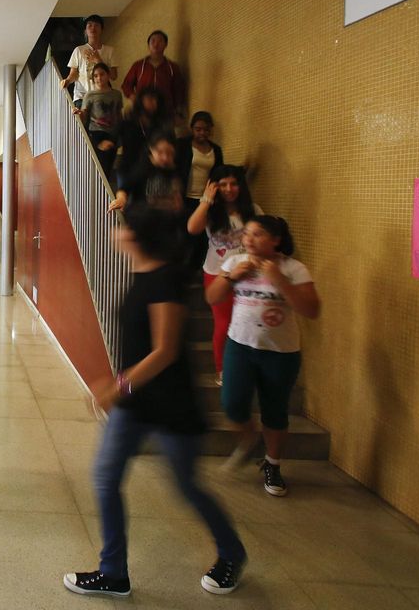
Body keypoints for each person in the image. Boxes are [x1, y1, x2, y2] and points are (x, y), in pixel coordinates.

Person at [64, 207, 246, 598]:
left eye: (125, 226)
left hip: (169, 405)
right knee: (105, 478)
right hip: (136, 404)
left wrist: (118, 386)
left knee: (187, 486)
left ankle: (232, 552)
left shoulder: (165, 280)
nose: (118, 231)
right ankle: (113, 573)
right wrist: (123, 389)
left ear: (139, 236)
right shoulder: (142, 275)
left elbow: (164, 352)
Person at [205, 215, 320, 496]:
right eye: (247, 234)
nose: (249, 239)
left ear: (276, 239)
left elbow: (311, 310)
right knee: (232, 403)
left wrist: (280, 280)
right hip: (240, 346)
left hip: (280, 353)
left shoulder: (294, 269)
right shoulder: (234, 262)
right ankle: (249, 439)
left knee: (275, 411)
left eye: (257, 234)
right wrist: (233, 276)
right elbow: (212, 298)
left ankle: (273, 464)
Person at [186, 165, 260, 385]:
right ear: (215, 186)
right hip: (218, 273)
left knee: (249, 322)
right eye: (223, 184)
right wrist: (206, 200)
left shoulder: (253, 209)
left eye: (234, 183)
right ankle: (223, 370)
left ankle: (248, 369)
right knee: (224, 322)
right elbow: (192, 228)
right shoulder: (211, 211)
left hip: (248, 274)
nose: (229, 189)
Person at [176, 111, 225, 267]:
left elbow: (219, 172)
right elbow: (175, 169)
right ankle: (183, 271)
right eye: (198, 129)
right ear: (192, 129)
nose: (202, 133)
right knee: (185, 234)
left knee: (203, 237)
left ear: (210, 130)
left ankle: (197, 269)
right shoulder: (183, 145)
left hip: (205, 199)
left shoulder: (216, 150)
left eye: (205, 129)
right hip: (184, 197)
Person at [108, 129, 183, 216]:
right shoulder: (142, 167)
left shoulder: (174, 170)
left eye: (169, 153)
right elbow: (125, 188)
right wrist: (121, 200)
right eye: (160, 152)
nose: (165, 158)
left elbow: (178, 200)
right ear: (151, 149)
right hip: (143, 220)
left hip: (166, 222)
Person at [121, 29, 186, 126]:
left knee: (164, 138)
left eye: (160, 41)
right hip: (143, 111)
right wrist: (135, 98)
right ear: (148, 45)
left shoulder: (172, 67)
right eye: (153, 41)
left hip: (165, 111)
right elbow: (126, 85)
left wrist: (178, 112)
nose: (156, 44)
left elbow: (179, 91)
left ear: (165, 45)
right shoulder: (139, 66)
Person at [73, 62, 124, 176]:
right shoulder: (89, 95)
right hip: (96, 134)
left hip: (113, 133)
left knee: (109, 168)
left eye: (102, 74)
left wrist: (120, 135)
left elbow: (119, 115)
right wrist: (78, 113)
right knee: (100, 169)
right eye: (95, 76)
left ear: (108, 75)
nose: (99, 78)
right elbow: (84, 117)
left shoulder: (116, 94)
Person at [113, 86, 172, 182]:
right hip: (128, 167)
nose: (152, 103)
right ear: (141, 101)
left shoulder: (161, 124)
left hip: (151, 171)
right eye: (148, 99)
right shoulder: (129, 121)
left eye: (155, 100)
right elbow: (115, 136)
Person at [62, 14, 117, 108]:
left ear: (102, 29)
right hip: (82, 97)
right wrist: (67, 81)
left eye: (96, 25)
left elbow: (113, 76)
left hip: (103, 96)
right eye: (89, 25)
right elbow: (74, 74)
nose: (93, 28)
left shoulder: (110, 50)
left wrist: (98, 60)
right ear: (85, 31)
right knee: (82, 121)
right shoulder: (79, 50)